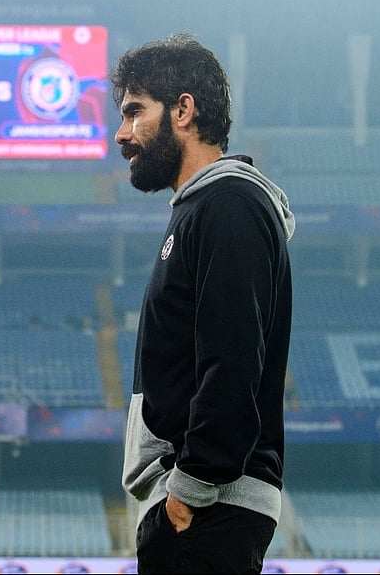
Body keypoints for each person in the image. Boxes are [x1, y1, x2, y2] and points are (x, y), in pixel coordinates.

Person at [113, 33, 295, 574]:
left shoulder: (229, 205)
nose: (122, 134)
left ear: (184, 110)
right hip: (202, 505)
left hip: (210, 506)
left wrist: (188, 492)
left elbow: (233, 361)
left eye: (134, 112)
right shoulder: (202, 208)